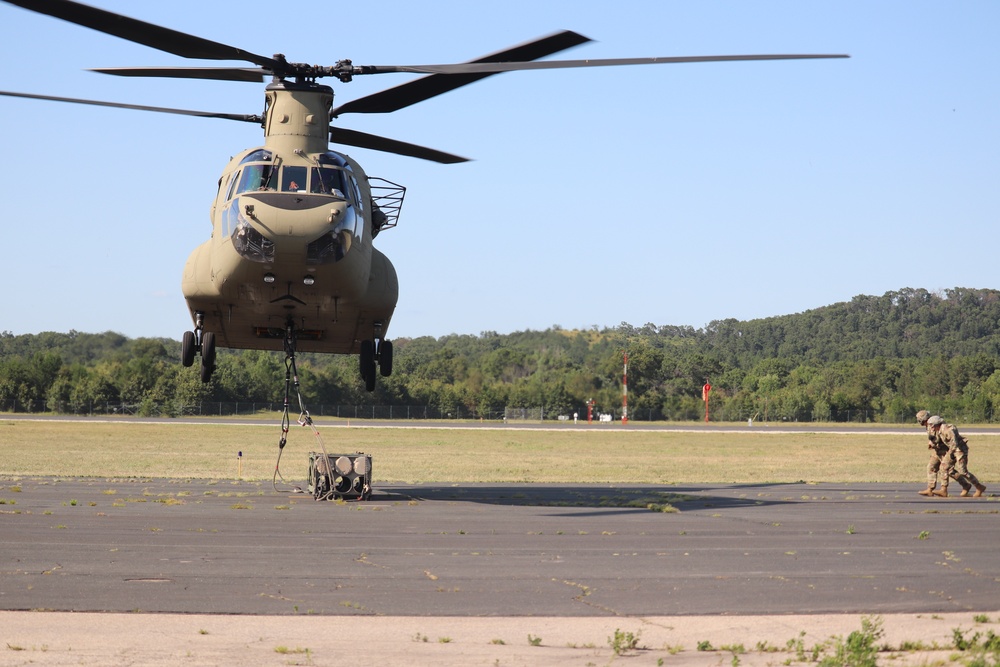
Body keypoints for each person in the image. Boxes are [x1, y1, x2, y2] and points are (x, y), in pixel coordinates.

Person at [926, 415, 987, 498]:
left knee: (963, 472)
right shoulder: (939, 430)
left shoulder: (948, 430)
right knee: (944, 467)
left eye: (932, 426)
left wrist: (951, 454)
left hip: (960, 450)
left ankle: (979, 487)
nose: (931, 428)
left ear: (937, 424)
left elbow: (954, 443)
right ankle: (944, 490)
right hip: (952, 450)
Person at [914, 410, 968, 497]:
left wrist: (934, 443)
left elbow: (940, 437)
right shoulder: (929, 425)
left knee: (948, 470)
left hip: (945, 450)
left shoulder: (934, 424)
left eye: (919, 419)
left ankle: (949, 489)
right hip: (938, 450)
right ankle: (930, 489)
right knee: (931, 467)